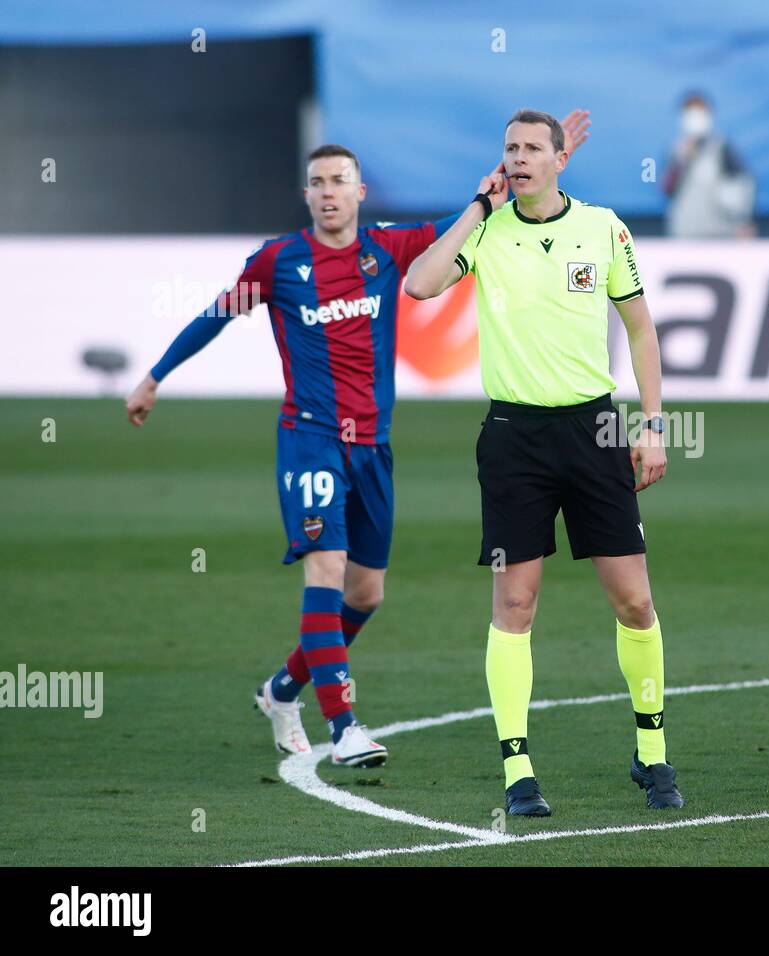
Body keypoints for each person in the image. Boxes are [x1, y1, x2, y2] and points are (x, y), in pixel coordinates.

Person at [124, 112, 592, 768]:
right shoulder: (278, 260)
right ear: (307, 194)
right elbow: (216, 315)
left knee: (366, 594)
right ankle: (343, 725)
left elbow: (456, 235)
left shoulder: (386, 249)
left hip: (373, 446)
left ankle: (282, 689)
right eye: (317, 182)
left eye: (340, 181)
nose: (328, 192)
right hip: (310, 439)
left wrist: (497, 192)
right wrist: (152, 378)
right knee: (327, 567)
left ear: (359, 193)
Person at [404, 109, 681, 815]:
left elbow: (641, 328)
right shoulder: (487, 232)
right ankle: (518, 771)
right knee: (515, 603)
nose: (519, 157)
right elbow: (420, 284)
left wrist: (652, 425)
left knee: (634, 599)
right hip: (512, 439)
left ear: (562, 158)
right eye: (510, 148)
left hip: (595, 431)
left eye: (533, 148)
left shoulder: (604, 228)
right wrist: (476, 206)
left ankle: (652, 755)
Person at [663, 92, 755, 239]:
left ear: (709, 115)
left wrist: (744, 221)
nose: (694, 119)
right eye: (690, 114)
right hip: (685, 233)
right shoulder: (675, 151)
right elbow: (667, 190)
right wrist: (681, 161)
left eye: (699, 113)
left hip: (720, 233)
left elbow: (743, 185)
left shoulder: (722, 148)